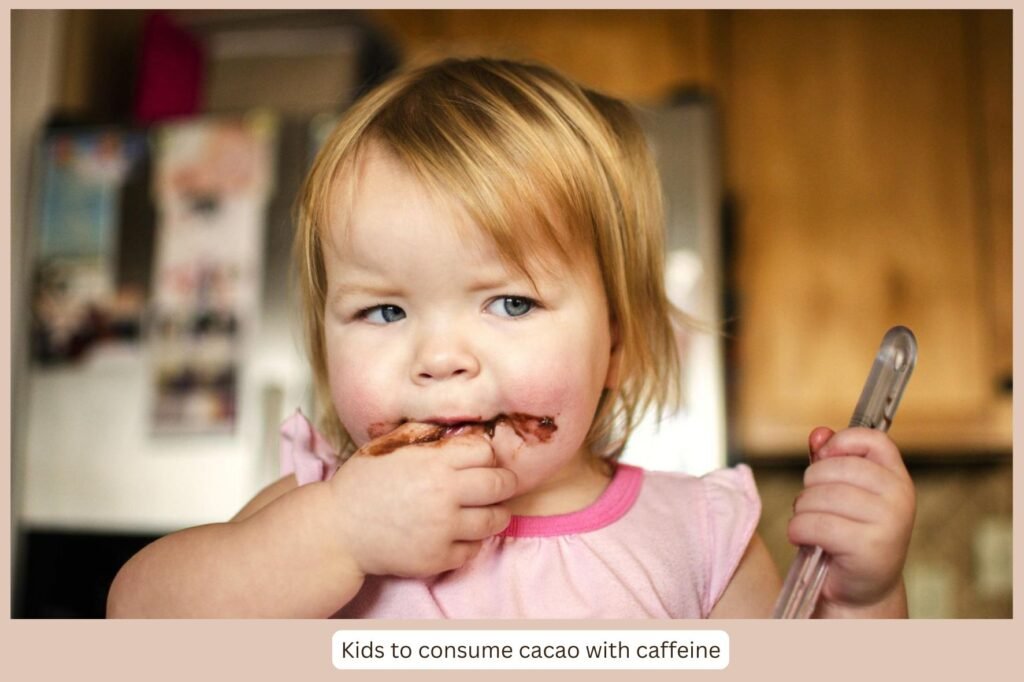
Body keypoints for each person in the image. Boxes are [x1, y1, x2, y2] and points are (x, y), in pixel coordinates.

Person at [107, 57, 915, 619]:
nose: (440, 358)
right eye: (384, 313)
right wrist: (338, 533)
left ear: (619, 344)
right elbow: (137, 626)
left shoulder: (701, 538)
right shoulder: (322, 509)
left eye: (511, 303)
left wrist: (866, 597)